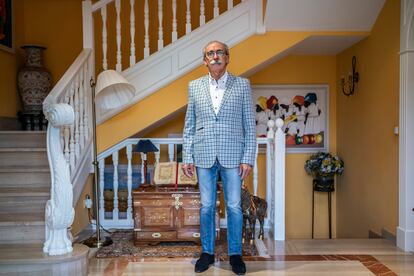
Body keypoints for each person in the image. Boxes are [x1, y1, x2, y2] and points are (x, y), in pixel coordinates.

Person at [182, 41, 256, 275]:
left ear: (227, 57)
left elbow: (249, 126)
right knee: (206, 207)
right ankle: (207, 252)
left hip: (233, 155)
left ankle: (235, 255)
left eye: (219, 53)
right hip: (203, 154)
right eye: (210, 53)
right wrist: (187, 156)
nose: (215, 56)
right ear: (205, 60)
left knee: (233, 207)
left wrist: (248, 157)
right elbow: (189, 125)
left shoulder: (242, 85)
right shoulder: (194, 86)